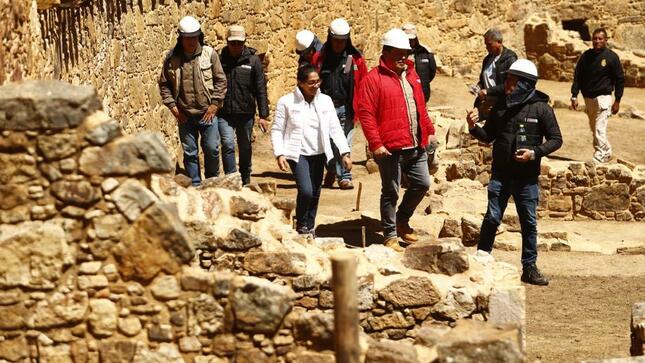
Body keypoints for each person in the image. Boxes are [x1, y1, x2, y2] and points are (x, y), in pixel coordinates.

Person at [466, 59, 563, 286]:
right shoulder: (500, 105)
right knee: (492, 217)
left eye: (511, 79)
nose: (506, 83)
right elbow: (487, 135)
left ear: (524, 84)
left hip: (526, 176)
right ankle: (482, 259)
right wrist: (472, 127)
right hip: (501, 173)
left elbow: (556, 139)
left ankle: (529, 268)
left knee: (528, 222)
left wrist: (535, 153)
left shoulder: (541, 108)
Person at [358, 28, 436, 252]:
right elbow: (366, 114)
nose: (404, 57)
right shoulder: (373, 79)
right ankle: (390, 234)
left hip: (416, 143)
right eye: (399, 53)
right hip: (391, 148)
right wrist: (376, 144)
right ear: (386, 52)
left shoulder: (412, 74)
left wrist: (428, 129)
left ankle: (402, 220)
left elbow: (420, 105)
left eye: (406, 53)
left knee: (422, 183)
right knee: (391, 190)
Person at [271, 64, 353, 236]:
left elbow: (335, 128)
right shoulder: (286, 102)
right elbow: (277, 129)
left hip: (319, 152)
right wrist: (279, 153)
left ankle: (310, 226)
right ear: (301, 83)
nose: (316, 86)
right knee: (306, 191)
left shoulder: (325, 101)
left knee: (315, 192)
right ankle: (301, 223)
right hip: (298, 153)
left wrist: (344, 153)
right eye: (311, 83)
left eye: (318, 82)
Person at [158, 16, 227, 186]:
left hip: (207, 113)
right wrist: (173, 107)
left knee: (212, 149)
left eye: (194, 37)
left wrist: (214, 105)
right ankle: (195, 185)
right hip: (185, 114)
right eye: (188, 38)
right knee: (190, 152)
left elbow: (221, 81)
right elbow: (164, 84)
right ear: (181, 38)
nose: (191, 41)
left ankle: (212, 182)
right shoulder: (171, 58)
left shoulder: (210, 54)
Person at [315, 18, 367, 190]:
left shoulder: (355, 59)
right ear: (330, 39)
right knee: (329, 144)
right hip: (326, 108)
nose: (339, 45)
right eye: (336, 41)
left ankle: (344, 176)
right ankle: (331, 168)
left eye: (342, 41)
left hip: (347, 107)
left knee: (345, 142)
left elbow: (363, 82)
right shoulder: (321, 58)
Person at [218, 25, 270, 185]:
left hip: (245, 113)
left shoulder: (253, 61)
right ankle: (232, 178)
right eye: (232, 43)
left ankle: (245, 176)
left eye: (239, 43)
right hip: (224, 112)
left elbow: (260, 88)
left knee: (245, 146)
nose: (235, 47)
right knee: (227, 144)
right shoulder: (220, 60)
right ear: (227, 42)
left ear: (244, 43)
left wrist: (263, 115)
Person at [570, 28, 625, 163]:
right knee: (594, 128)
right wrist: (574, 95)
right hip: (588, 97)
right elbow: (578, 76)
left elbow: (619, 79)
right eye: (595, 38)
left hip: (603, 98)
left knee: (600, 128)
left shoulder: (612, 57)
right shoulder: (586, 56)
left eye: (600, 39)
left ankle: (600, 156)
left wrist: (617, 100)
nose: (597, 41)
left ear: (606, 40)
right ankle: (606, 151)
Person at [473, 28, 517, 119]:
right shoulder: (487, 59)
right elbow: (483, 80)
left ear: (499, 42)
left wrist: (488, 91)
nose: (487, 47)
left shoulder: (510, 59)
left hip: (502, 104)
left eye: (489, 44)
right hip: (486, 102)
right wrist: (478, 87)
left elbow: (510, 85)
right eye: (486, 45)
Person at [401, 23, 437, 102]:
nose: (410, 42)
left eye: (412, 39)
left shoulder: (425, 52)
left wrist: (423, 82)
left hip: (422, 92)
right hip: (403, 94)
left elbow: (432, 72)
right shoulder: (398, 54)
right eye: (408, 39)